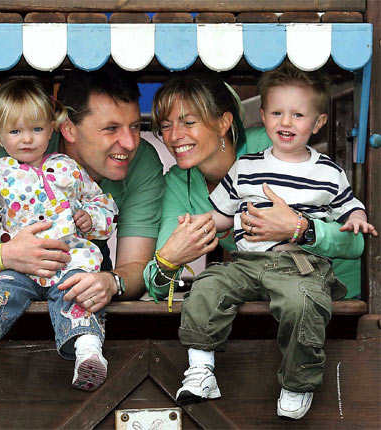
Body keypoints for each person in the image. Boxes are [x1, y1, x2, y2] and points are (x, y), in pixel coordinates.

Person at [142, 70, 365, 415]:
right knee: (209, 288)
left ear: (223, 123)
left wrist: (299, 228)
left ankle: (297, 385)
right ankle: (201, 372)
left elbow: (354, 244)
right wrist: (168, 260)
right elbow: (159, 284)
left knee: (301, 306)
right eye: (166, 126)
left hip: (327, 295)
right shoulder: (179, 181)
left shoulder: (276, 144)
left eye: (188, 122)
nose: (174, 136)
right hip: (253, 285)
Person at [0, 68, 165, 386]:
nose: (129, 142)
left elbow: (136, 269)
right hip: (14, 328)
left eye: (135, 126)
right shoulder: (4, 160)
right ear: (67, 129)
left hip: (80, 284)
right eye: (111, 128)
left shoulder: (113, 164)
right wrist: (4, 257)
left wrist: (110, 281)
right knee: (2, 294)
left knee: (81, 296)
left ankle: (89, 352)